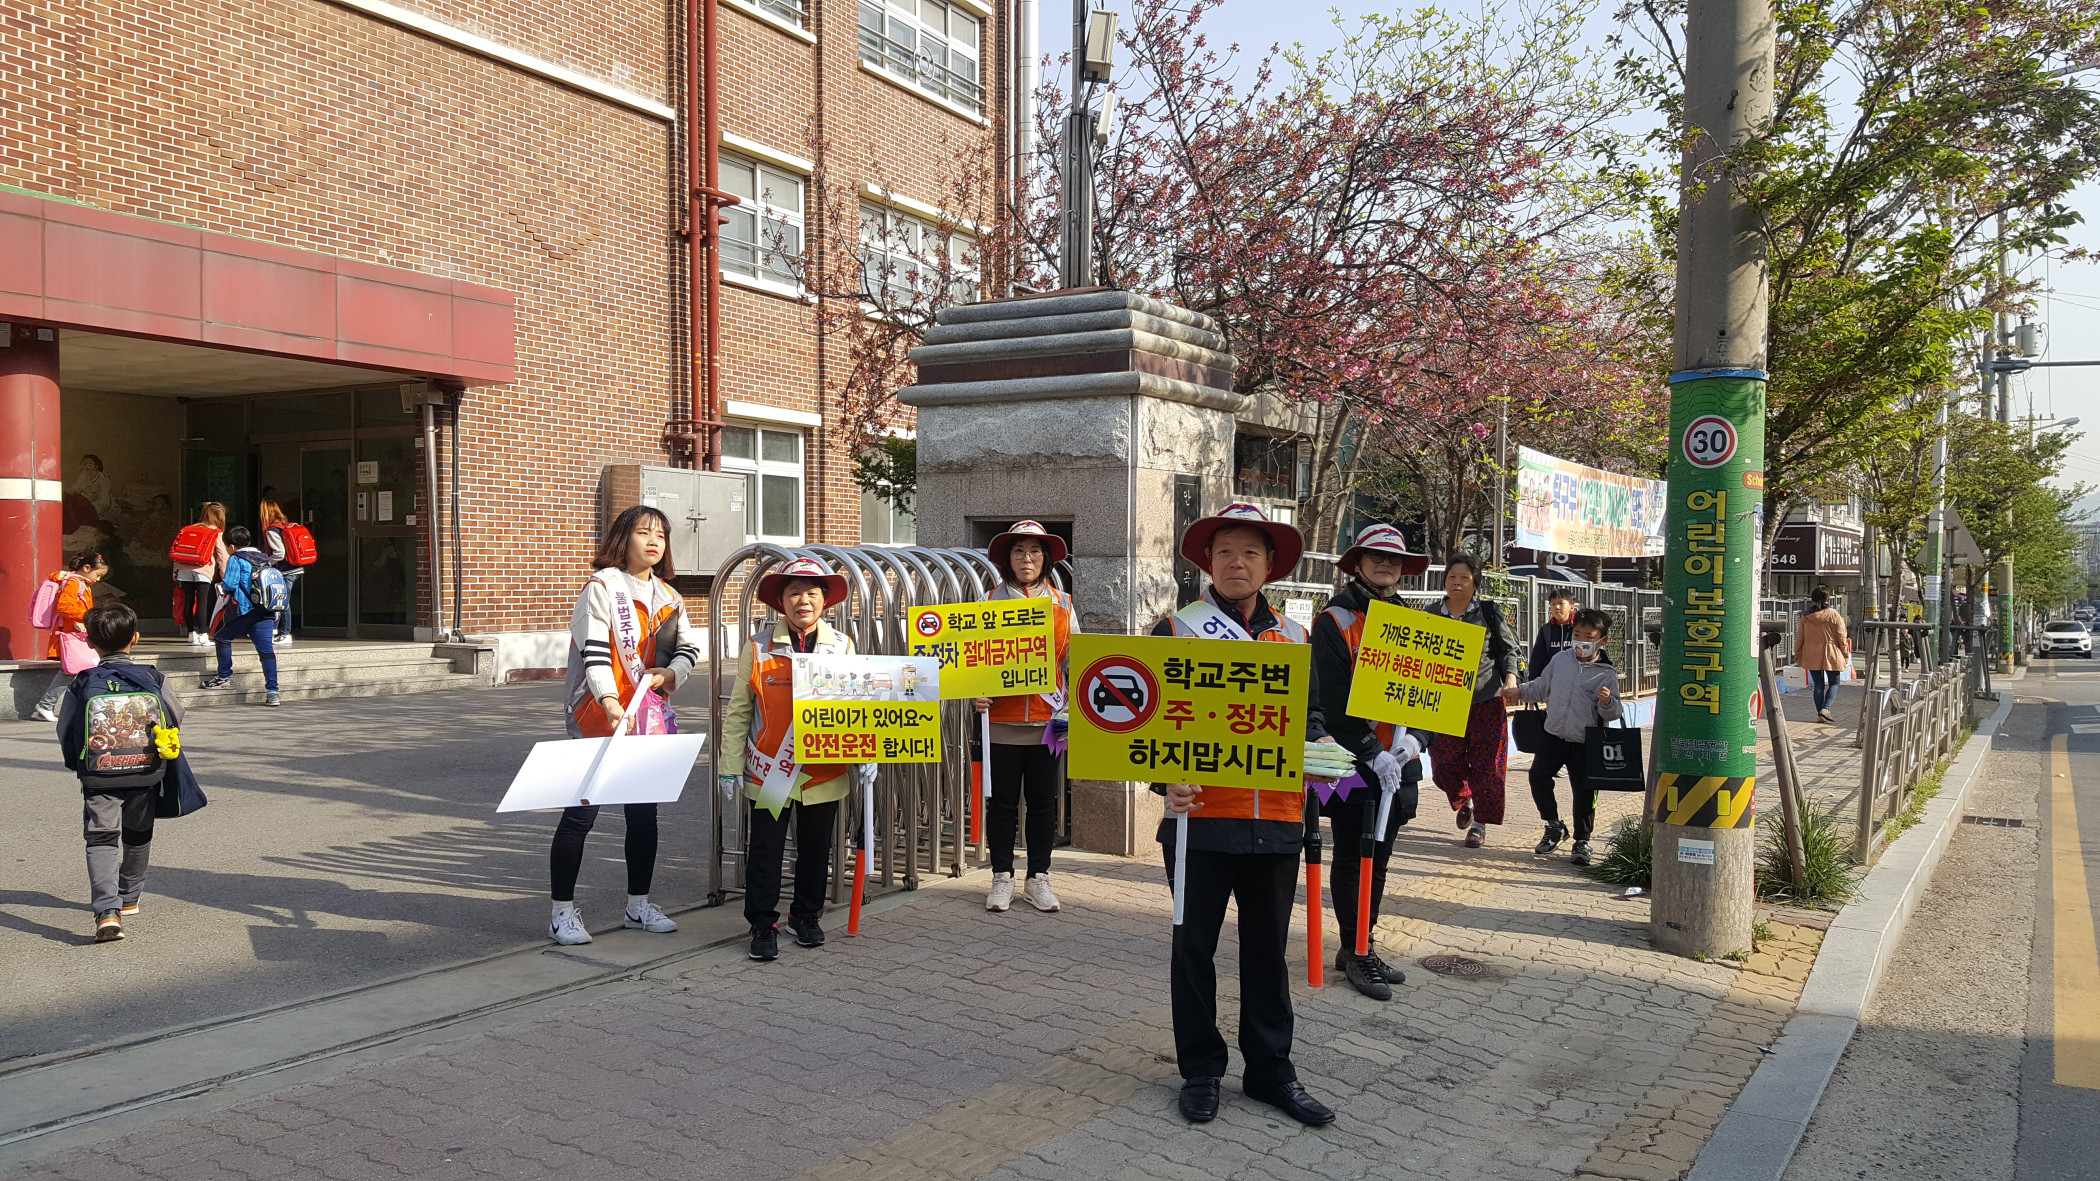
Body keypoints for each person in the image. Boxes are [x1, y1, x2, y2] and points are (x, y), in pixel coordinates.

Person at [1156, 502, 1339, 1128]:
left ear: (1269, 566)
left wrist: (1324, 757)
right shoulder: (1177, 630)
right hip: (1198, 822)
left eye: (1251, 553)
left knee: (1267, 953)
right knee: (1193, 950)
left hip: (1279, 823)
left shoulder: (1295, 635)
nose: (1238, 562)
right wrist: (1164, 780)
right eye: (1226, 551)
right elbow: (1147, 723)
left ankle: (1270, 1071)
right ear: (1208, 562)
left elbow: (1312, 720)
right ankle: (1201, 1069)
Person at [547, 505, 702, 946]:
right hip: (599, 715)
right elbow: (594, 650)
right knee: (580, 814)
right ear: (623, 538)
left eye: (661, 535)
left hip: (646, 718)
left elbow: (688, 651)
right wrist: (611, 702)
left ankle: (638, 905)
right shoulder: (601, 587)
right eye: (643, 532)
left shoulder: (670, 597)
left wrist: (670, 675)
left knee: (643, 816)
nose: (654, 541)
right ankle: (561, 912)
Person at [716, 555, 874, 961]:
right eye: (794, 593)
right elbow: (739, 712)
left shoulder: (843, 646)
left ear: (825, 601)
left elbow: (856, 703)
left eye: (812, 593)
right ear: (781, 601)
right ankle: (762, 924)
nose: (803, 601)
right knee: (765, 852)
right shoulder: (758, 646)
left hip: (823, 773)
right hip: (770, 773)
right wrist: (730, 766)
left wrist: (866, 750)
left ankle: (806, 916)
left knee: (816, 850)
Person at [1312, 523, 1430, 1000]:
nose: (1385, 565)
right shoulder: (1335, 621)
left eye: (1394, 559)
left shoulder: (1416, 624)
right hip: (1355, 761)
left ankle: (1361, 942)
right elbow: (1329, 700)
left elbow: (1431, 695)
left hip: (1398, 762)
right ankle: (1354, 949)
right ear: (1356, 563)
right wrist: (1371, 751)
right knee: (1353, 853)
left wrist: (1415, 742)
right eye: (1375, 557)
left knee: (1379, 857)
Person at [55, 603, 184, 942]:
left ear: (91, 643)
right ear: (136, 639)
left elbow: (66, 728)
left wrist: (77, 763)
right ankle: (129, 897)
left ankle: (106, 912)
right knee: (138, 835)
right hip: (145, 772)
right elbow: (176, 715)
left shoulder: (82, 683)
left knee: (101, 838)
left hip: (99, 774)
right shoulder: (153, 677)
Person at [972, 521, 1076, 914]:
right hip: (1000, 719)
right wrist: (974, 693)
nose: (1027, 559)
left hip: (1050, 721)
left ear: (1046, 558)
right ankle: (1001, 876)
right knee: (1001, 804)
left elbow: (1073, 661)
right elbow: (969, 662)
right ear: (1007, 558)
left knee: (1043, 802)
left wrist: (1069, 710)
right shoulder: (987, 603)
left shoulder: (1063, 604)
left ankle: (1038, 877)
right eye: (1019, 551)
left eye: (1035, 551)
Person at [1506, 607, 1621, 866]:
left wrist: (1606, 702)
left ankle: (1582, 841)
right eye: (1577, 634)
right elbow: (1541, 687)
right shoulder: (1560, 660)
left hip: (1585, 741)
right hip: (1554, 733)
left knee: (1584, 791)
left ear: (1602, 641)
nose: (1581, 641)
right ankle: (1554, 825)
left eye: (1589, 636)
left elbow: (1615, 712)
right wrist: (1519, 692)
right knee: (1538, 776)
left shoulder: (1606, 673)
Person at [1424, 553, 1519, 848]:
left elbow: (1508, 650)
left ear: (1475, 582)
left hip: (1486, 700)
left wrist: (1511, 679)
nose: (1457, 583)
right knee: (1443, 763)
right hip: (1444, 701)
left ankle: (1479, 823)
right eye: (1452, 577)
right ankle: (1464, 799)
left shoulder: (1489, 613)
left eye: (1464, 578)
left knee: (1487, 764)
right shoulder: (1431, 613)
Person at [199, 527, 282, 706]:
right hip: (266, 611)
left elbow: (229, 584)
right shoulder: (264, 558)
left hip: (244, 610)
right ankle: (273, 692)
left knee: (222, 637)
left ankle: (225, 677)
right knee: (266, 651)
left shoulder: (236, 559)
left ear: (232, 546)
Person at [28, 552, 108, 722]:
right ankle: (46, 705)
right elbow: (64, 607)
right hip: (73, 635)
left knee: (77, 669)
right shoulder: (74, 583)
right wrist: (91, 614)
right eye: (98, 574)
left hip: (76, 633)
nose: (98, 579)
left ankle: (50, 705)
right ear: (87, 568)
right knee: (72, 670)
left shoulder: (78, 582)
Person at [1795, 587, 1852, 723]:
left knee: (1818, 684)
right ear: (1828, 599)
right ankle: (1825, 709)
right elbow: (1842, 637)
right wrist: (1845, 653)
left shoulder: (1806, 616)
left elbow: (1800, 637)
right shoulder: (1834, 615)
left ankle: (1820, 713)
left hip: (1811, 652)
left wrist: (1797, 653)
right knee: (1834, 682)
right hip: (1831, 652)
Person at [174, 502, 228, 646]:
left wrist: (176, 571)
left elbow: (179, 550)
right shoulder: (216, 532)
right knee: (203, 601)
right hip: (203, 569)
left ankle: (191, 634)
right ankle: (204, 634)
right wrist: (225, 576)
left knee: (188, 601)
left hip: (184, 569)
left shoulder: (187, 529)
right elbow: (222, 557)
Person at [259, 497, 298, 645]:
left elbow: (279, 553)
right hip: (295, 568)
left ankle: (285, 633)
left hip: (285, 570)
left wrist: (266, 563)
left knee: (282, 601)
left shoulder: (272, 530)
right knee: (279, 599)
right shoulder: (285, 526)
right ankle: (275, 631)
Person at [1528, 588, 1579, 678]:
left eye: (1561, 603)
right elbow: (1537, 660)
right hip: (1552, 680)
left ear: (1572, 607)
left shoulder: (1579, 628)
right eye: (1553, 604)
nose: (1557, 607)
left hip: (1576, 679)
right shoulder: (1546, 630)